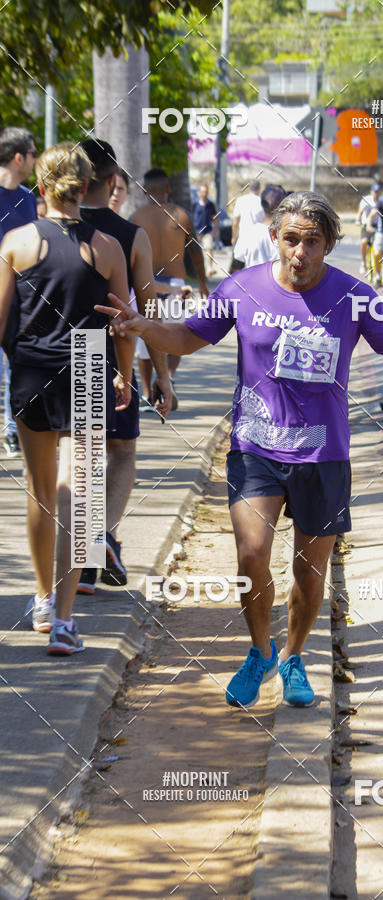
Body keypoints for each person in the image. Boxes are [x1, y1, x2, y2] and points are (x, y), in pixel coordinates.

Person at [97, 191, 383, 708]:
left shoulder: (354, 296)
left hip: (324, 457)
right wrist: (144, 327)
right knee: (252, 553)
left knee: (309, 572)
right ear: (274, 238)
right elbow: (190, 336)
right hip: (255, 448)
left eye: (312, 241)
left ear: (329, 243)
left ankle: (294, 656)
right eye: (290, 240)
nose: (299, 252)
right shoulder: (242, 287)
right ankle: (260, 651)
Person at [0, 142, 134, 653]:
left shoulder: (16, 242)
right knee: (80, 491)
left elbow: (0, 320)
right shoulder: (107, 248)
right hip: (86, 363)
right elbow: (123, 324)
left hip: (32, 367)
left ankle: (39, 598)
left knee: (38, 490)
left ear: (41, 186)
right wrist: (124, 374)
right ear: (85, 188)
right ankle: (64, 619)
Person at [78, 139, 173, 596]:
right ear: (113, 180)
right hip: (113, 358)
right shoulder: (131, 236)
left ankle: (75, 567)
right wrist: (162, 377)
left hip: (60, 357)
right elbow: (148, 311)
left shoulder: (45, 230)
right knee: (121, 453)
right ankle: (100, 537)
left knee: (74, 460)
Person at [130, 167, 208, 399]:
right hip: (176, 285)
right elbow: (196, 252)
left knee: (146, 340)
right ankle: (169, 376)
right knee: (176, 335)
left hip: (147, 285)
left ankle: (146, 393)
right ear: (168, 188)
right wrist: (203, 284)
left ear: (145, 190)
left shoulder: (136, 218)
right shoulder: (181, 215)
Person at [0, 127, 38, 458]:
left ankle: (12, 431)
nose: (35, 160)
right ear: (18, 157)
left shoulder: (28, 199)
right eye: (33, 153)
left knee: (16, 368)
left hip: (20, 301)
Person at [233, 183, 287, 268]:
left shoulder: (249, 233)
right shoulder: (288, 236)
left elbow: (238, 260)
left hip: (252, 280)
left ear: (262, 204)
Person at [229, 179, 263, 272]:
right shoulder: (262, 202)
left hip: (243, 238)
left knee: (236, 268)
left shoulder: (241, 200)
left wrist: (234, 237)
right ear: (259, 189)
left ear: (248, 188)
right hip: (257, 239)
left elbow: (235, 221)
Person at [192, 183, 218, 276]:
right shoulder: (195, 204)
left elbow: (214, 217)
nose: (204, 193)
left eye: (206, 192)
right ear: (199, 193)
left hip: (207, 231)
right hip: (196, 231)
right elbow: (191, 216)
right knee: (196, 251)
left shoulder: (210, 204)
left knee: (209, 249)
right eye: (202, 192)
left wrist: (215, 229)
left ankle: (209, 268)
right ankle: (198, 270)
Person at [355, 182, 381, 275]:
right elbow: (360, 212)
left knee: (379, 246)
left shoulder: (382, 200)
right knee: (364, 242)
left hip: (378, 226)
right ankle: (363, 262)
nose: (376, 194)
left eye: (378, 192)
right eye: (375, 192)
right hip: (366, 224)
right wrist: (358, 220)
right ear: (371, 192)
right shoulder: (366, 200)